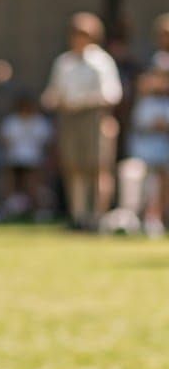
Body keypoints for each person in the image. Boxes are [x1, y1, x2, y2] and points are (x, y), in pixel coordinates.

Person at [41, 12, 123, 230]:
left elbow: (112, 94)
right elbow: (54, 92)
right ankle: (78, 217)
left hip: (94, 117)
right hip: (69, 119)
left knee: (97, 168)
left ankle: (97, 217)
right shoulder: (63, 62)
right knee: (73, 168)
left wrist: (83, 101)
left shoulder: (102, 62)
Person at [0, 93, 54, 220]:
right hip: (14, 160)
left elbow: (47, 143)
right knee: (9, 184)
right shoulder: (11, 121)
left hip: (34, 160)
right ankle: (5, 209)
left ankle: (40, 210)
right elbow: (4, 141)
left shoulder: (40, 121)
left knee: (34, 185)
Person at [126, 67, 169, 237]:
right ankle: (148, 218)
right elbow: (143, 125)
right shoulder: (144, 104)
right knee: (150, 183)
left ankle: (161, 217)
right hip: (144, 155)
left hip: (164, 155)